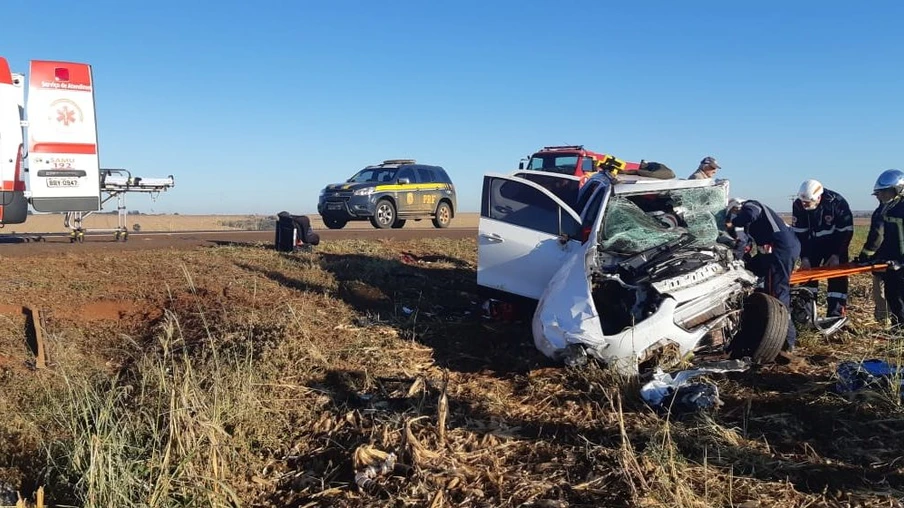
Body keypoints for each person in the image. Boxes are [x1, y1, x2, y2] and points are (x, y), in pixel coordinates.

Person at [727, 198, 801, 350]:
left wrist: (733, 223)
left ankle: (787, 341)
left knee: (777, 293)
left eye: (734, 213)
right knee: (750, 270)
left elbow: (750, 213)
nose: (734, 217)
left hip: (779, 251)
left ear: (737, 207)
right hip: (777, 251)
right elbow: (744, 244)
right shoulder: (757, 223)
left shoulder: (751, 205)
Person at [790, 179, 854, 317]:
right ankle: (805, 316)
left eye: (808, 202)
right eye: (803, 202)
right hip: (812, 245)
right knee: (807, 278)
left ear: (818, 197)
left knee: (837, 278)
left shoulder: (837, 202)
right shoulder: (798, 205)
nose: (804, 204)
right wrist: (805, 257)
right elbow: (800, 234)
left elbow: (846, 231)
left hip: (835, 244)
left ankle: (835, 315)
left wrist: (837, 254)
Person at [870, 169, 904, 328]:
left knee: (901, 298)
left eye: (886, 192)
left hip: (901, 263)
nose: (882, 196)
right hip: (892, 263)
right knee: (893, 296)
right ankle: (898, 330)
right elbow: (883, 238)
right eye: (881, 193)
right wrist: (873, 258)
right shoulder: (885, 210)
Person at [856, 192, 890, 324]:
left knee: (882, 291)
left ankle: (885, 320)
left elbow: (876, 237)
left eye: (880, 194)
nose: (878, 197)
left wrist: (865, 256)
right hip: (892, 260)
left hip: (884, 261)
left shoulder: (882, 212)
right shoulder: (887, 209)